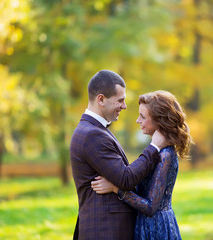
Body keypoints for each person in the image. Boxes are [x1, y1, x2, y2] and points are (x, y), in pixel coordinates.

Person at [70, 70, 167, 240]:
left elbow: (120, 178)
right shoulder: (92, 134)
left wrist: (115, 186)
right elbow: (126, 178)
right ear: (101, 99)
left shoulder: (96, 130)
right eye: (120, 100)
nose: (124, 106)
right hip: (106, 231)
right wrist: (154, 147)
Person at [91, 90, 192, 240]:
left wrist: (115, 189)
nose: (138, 120)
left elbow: (151, 207)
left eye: (143, 117)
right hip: (145, 225)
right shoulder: (156, 150)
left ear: (159, 120)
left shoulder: (165, 155)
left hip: (157, 229)